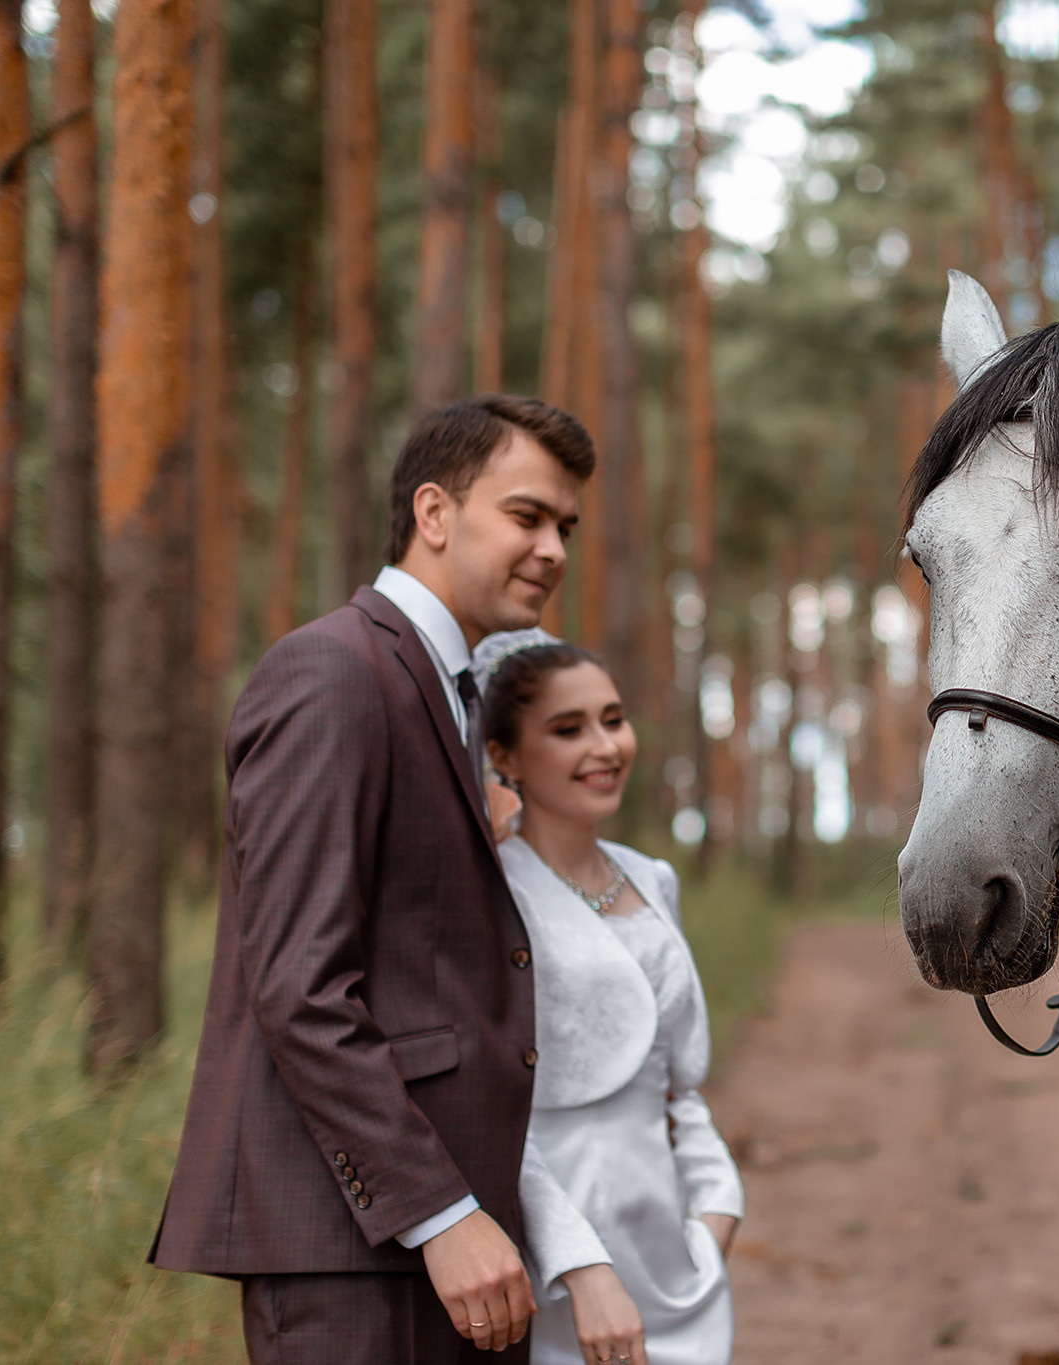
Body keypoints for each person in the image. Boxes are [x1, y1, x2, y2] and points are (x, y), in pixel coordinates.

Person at [151, 395, 595, 1362]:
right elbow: (299, 986)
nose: (555, 547)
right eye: (527, 515)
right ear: (435, 514)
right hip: (356, 1242)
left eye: (565, 525)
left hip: (455, 1232)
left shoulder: (454, 689)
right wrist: (441, 1212)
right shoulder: (331, 671)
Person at [475, 634, 742, 1365]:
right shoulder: (490, 895)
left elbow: (677, 1084)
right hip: (557, 1256)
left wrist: (716, 1209)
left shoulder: (652, 878)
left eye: (612, 718)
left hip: (673, 1254)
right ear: (503, 753)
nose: (604, 745)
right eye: (568, 729)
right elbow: (495, 1110)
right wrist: (576, 1265)